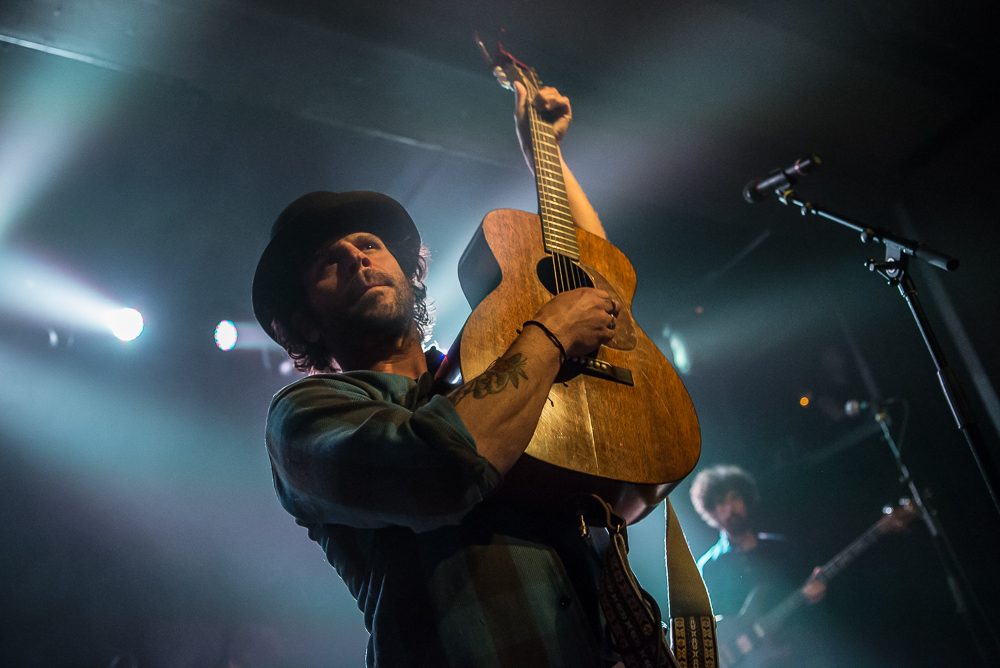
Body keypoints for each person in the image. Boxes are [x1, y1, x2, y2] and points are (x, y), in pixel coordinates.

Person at [252, 82, 627, 667]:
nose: (356, 257)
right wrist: (551, 334)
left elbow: (599, 293)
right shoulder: (303, 415)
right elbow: (442, 470)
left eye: (369, 244)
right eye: (329, 262)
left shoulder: (485, 364)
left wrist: (545, 155)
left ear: (411, 276)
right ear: (306, 322)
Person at [690, 465, 827, 667]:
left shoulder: (781, 546)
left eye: (734, 497)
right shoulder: (709, 566)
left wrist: (817, 594)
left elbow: (806, 597)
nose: (729, 508)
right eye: (720, 503)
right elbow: (709, 628)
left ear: (746, 500)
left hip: (798, 651)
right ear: (711, 511)